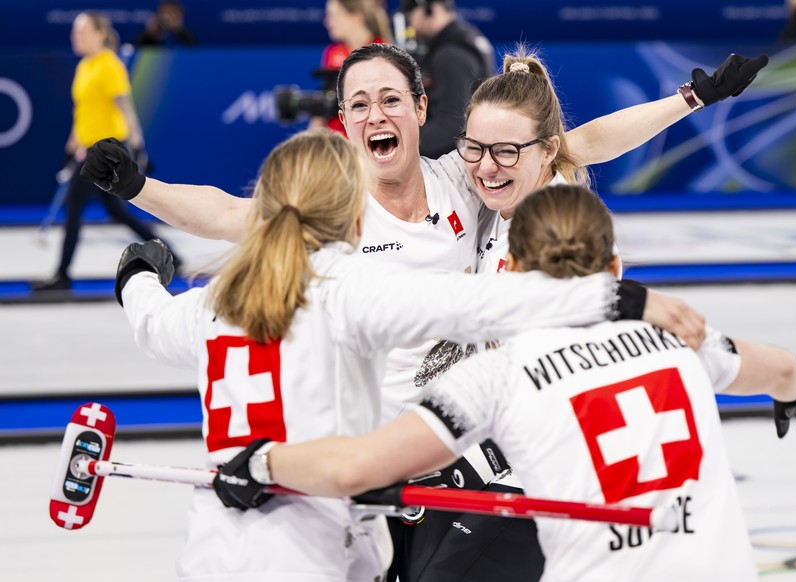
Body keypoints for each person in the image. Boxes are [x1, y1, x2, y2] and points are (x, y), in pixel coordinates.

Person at [112, 129, 669, 580]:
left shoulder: (218, 299)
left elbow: (152, 323)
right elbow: (470, 304)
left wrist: (137, 273)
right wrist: (612, 294)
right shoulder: (349, 288)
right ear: (352, 211)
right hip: (317, 554)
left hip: (210, 554)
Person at [214, 184, 796, 582]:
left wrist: (262, 464)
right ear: (615, 269)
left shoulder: (497, 374)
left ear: (509, 270)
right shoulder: (680, 338)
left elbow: (358, 469)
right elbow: (781, 370)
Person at [34, 11, 178, 293]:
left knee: (74, 208)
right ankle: (172, 253)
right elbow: (83, 113)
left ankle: (62, 275)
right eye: (74, 32)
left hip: (107, 149)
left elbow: (126, 107)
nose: (76, 36)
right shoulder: (84, 67)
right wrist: (71, 145)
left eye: (82, 31)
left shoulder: (109, 65)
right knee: (117, 211)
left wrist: (138, 145)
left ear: (100, 34)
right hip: (88, 148)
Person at [399, 0, 494, 158]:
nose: (412, 26)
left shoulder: (451, 55)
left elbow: (451, 125)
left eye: (413, 18)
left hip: (453, 163)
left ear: (431, 9)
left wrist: (401, 145)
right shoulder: (466, 39)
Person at [312, 0, 392, 135]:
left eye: (334, 15)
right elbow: (323, 108)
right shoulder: (333, 53)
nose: (327, 22)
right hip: (333, 143)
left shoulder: (383, 51)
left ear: (356, 16)